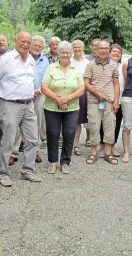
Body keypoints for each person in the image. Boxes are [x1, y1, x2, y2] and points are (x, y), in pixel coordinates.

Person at [0, 32, 41, 187]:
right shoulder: (6, 59)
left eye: (28, 42)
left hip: (28, 104)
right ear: (16, 41)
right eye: (22, 41)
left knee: (32, 140)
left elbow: (32, 81)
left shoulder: (31, 60)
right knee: (8, 141)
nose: (25, 44)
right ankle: (3, 174)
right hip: (10, 105)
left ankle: (28, 171)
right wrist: (1, 95)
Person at [41, 41, 85, 174]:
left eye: (68, 52)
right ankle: (53, 162)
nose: (65, 55)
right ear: (58, 54)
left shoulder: (75, 70)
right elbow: (44, 87)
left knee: (69, 134)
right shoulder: (51, 68)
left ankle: (65, 162)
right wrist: (58, 99)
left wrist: (67, 98)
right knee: (53, 134)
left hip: (71, 108)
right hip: (52, 108)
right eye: (63, 52)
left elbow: (82, 89)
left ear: (71, 54)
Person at [10, 36, 49, 164]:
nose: (37, 48)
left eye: (39, 46)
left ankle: (35, 151)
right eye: (35, 45)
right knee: (18, 123)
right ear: (31, 45)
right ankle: (14, 152)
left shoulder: (45, 61)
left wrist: (38, 89)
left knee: (36, 122)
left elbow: (46, 79)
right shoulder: (24, 57)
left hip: (39, 94)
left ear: (42, 48)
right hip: (22, 95)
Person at [84, 40, 120, 165]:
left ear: (109, 49)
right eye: (101, 48)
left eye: (106, 48)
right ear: (97, 49)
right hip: (94, 101)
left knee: (110, 127)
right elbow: (86, 83)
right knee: (94, 126)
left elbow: (116, 84)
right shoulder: (90, 65)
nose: (103, 50)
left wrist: (116, 101)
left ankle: (108, 153)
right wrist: (98, 94)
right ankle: (93, 153)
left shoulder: (114, 65)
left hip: (109, 101)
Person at [98, 44, 124, 157]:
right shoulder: (104, 66)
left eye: (118, 52)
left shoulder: (124, 67)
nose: (116, 53)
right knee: (103, 123)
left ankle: (112, 146)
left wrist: (117, 100)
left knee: (116, 123)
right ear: (109, 52)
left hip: (120, 99)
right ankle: (102, 145)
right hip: (105, 99)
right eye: (114, 51)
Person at [71, 39, 90, 156]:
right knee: (74, 121)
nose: (77, 49)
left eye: (79, 47)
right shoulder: (69, 61)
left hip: (84, 94)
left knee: (85, 120)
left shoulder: (87, 63)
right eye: (75, 47)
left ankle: (88, 141)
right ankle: (75, 145)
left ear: (83, 48)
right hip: (71, 93)